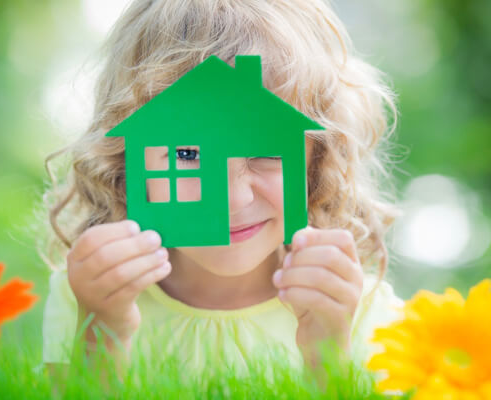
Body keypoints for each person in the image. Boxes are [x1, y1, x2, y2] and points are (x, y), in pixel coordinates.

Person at [37, 0, 405, 390]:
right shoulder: (91, 296)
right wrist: (102, 333)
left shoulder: (359, 309)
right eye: (187, 155)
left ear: (318, 160)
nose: (234, 199)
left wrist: (328, 354)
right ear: (124, 164)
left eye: (265, 152)